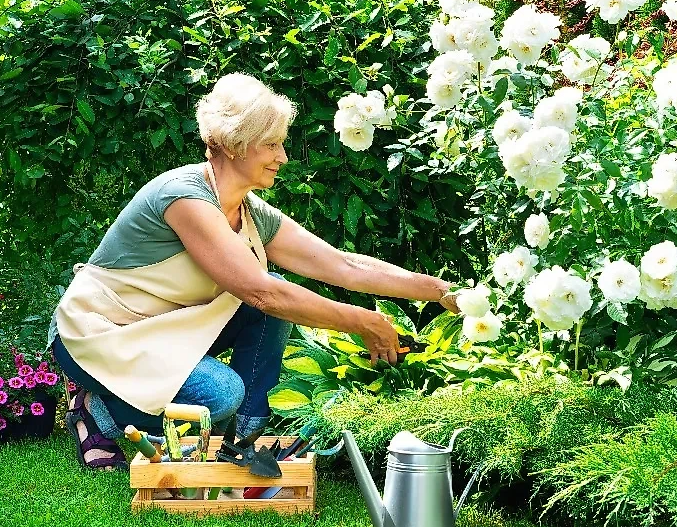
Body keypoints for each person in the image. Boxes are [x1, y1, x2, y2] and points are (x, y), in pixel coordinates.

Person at [49, 73, 460, 470]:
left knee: (271, 306)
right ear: (234, 144)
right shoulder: (183, 198)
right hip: (102, 335)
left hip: (166, 333)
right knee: (219, 394)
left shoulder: (247, 210)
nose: (282, 157)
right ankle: (97, 406)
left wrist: (441, 291)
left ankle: (240, 443)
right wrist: (362, 321)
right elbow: (261, 292)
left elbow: (341, 263)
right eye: (272, 145)